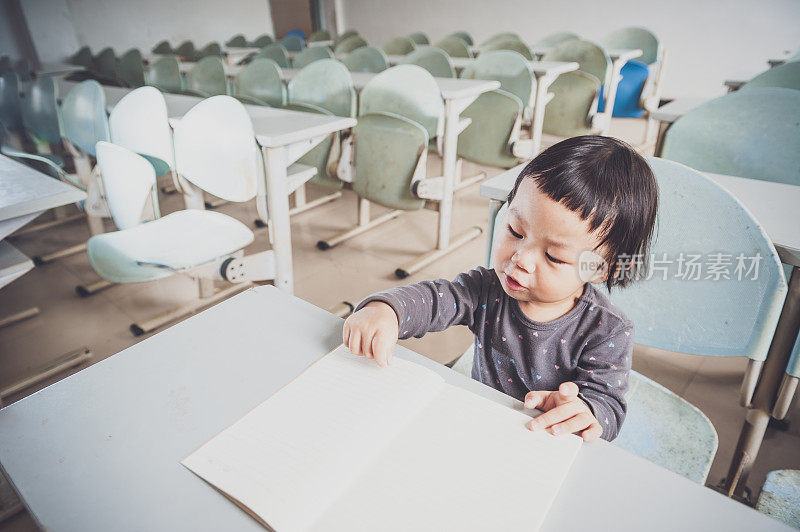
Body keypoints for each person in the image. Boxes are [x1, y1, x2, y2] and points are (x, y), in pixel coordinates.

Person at [342, 136, 658, 442]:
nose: (520, 259)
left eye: (553, 256)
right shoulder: (487, 290)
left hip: (545, 441)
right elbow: (436, 299)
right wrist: (387, 310)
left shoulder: (607, 330)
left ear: (603, 269)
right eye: (515, 230)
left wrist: (585, 410)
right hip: (480, 421)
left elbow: (609, 406)